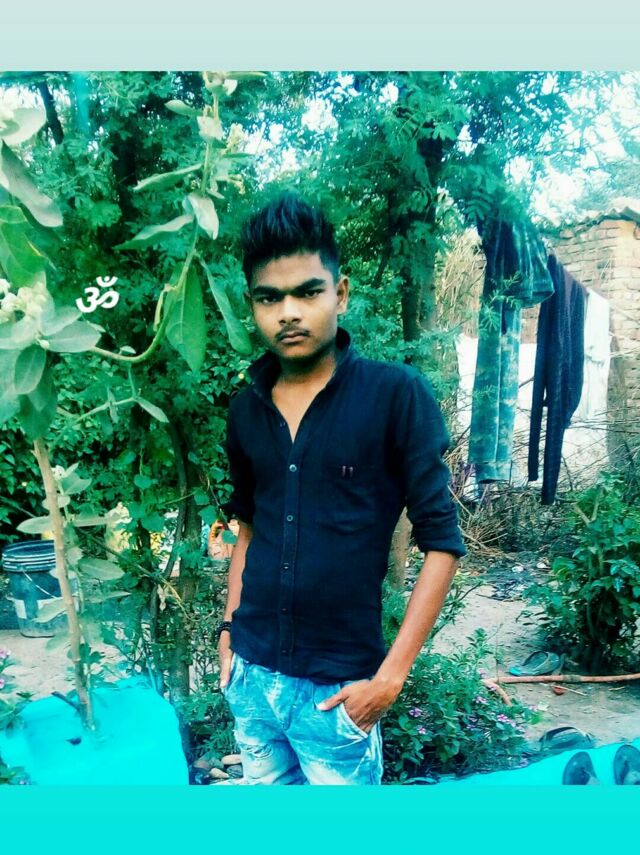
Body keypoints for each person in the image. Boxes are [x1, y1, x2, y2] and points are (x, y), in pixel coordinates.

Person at [217, 192, 466, 785]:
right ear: (252, 305)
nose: (288, 313)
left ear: (341, 293)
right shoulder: (246, 411)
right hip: (251, 677)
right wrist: (228, 636)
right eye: (269, 297)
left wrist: (390, 678)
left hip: (338, 693)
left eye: (308, 292)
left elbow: (442, 541)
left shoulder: (394, 397)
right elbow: (248, 527)